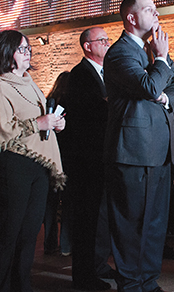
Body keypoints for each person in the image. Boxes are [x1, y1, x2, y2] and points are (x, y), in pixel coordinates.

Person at [103, 0, 174, 292]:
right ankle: (130, 284)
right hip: (133, 150)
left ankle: (148, 281)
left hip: (160, 150)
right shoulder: (120, 52)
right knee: (130, 224)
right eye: (149, 9)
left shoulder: (154, 52)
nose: (156, 14)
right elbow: (148, 85)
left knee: (154, 224)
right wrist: (162, 60)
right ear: (131, 17)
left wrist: (164, 96)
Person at [0, 30, 66, 292]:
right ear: (6, 53)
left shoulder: (29, 82)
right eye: (23, 49)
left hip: (36, 165)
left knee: (28, 235)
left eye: (28, 49)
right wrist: (39, 123)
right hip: (12, 165)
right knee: (6, 234)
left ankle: (21, 286)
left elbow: (38, 119)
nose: (28, 54)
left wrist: (54, 123)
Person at [57, 27, 115, 290]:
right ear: (88, 46)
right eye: (102, 40)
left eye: (108, 39)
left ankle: (97, 265)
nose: (107, 43)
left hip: (102, 156)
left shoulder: (107, 73)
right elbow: (90, 113)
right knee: (85, 220)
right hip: (86, 160)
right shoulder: (80, 75)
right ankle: (83, 277)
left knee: (99, 219)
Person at [43, 72, 72, 257]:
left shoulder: (49, 101)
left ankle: (49, 243)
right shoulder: (73, 102)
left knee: (50, 204)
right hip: (68, 156)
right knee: (68, 203)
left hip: (51, 155)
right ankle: (66, 245)